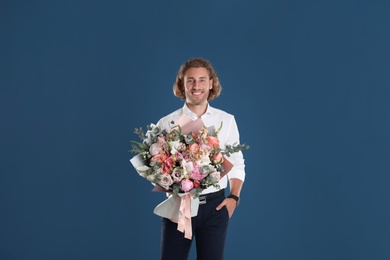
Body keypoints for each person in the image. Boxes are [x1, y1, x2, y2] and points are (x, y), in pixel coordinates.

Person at [156, 58, 246, 260]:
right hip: (178, 206)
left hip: (215, 207)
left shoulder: (226, 120)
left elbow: (237, 162)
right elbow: (155, 167)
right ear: (182, 84)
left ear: (211, 83)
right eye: (190, 80)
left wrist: (234, 198)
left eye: (202, 80)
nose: (196, 86)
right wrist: (167, 181)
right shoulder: (166, 123)